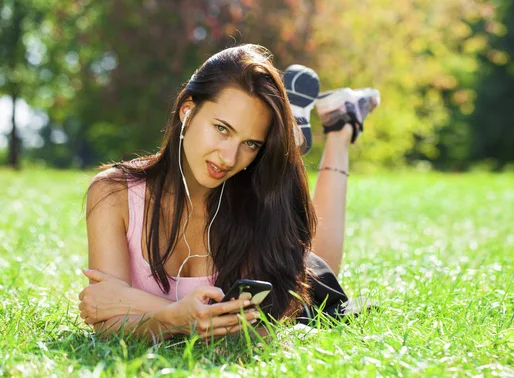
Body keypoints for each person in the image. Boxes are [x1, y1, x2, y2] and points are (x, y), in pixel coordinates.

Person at [78, 44, 380, 341]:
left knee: (317, 267)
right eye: (222, 129)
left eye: (250, 143)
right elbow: (106, 322)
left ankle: (338, 129)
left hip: (280, 255)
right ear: (187, 110)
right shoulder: (113, 194)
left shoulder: (252, 191)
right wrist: (176, 317)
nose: (229, 158)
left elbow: (255, 329)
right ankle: (292, 130)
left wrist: (141, 305)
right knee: (283, 156)